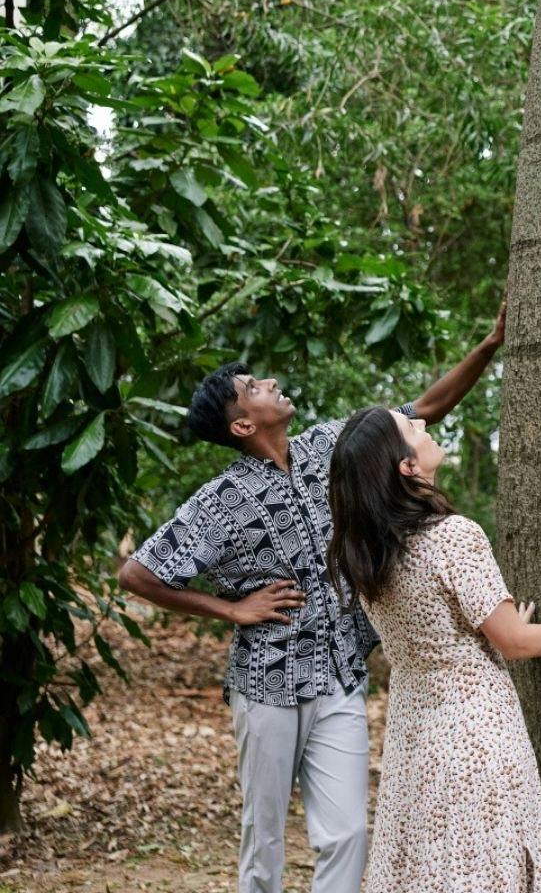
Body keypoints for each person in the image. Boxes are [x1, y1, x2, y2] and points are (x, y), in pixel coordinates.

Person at [117, 303, 510, 893]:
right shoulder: (218, 502)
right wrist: (230, 610)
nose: (269, 383)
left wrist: (489, 343)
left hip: (340, 677)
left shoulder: (330, 446)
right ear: (243, 425)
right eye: (253, 387)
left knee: (348, 834)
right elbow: (136, 573)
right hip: (268, 684)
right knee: (265, 838)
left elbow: (421, 413)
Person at [326, 407, 541, 893]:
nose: (421, 424)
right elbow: (515, 641)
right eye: (410, 429)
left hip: (415, 736)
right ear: (406, 466)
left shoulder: (367, 554)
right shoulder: (453, 536)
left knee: (432, 870)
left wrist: (493, 631)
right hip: (474, 733)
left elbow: (437, 633)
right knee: (484, 867)